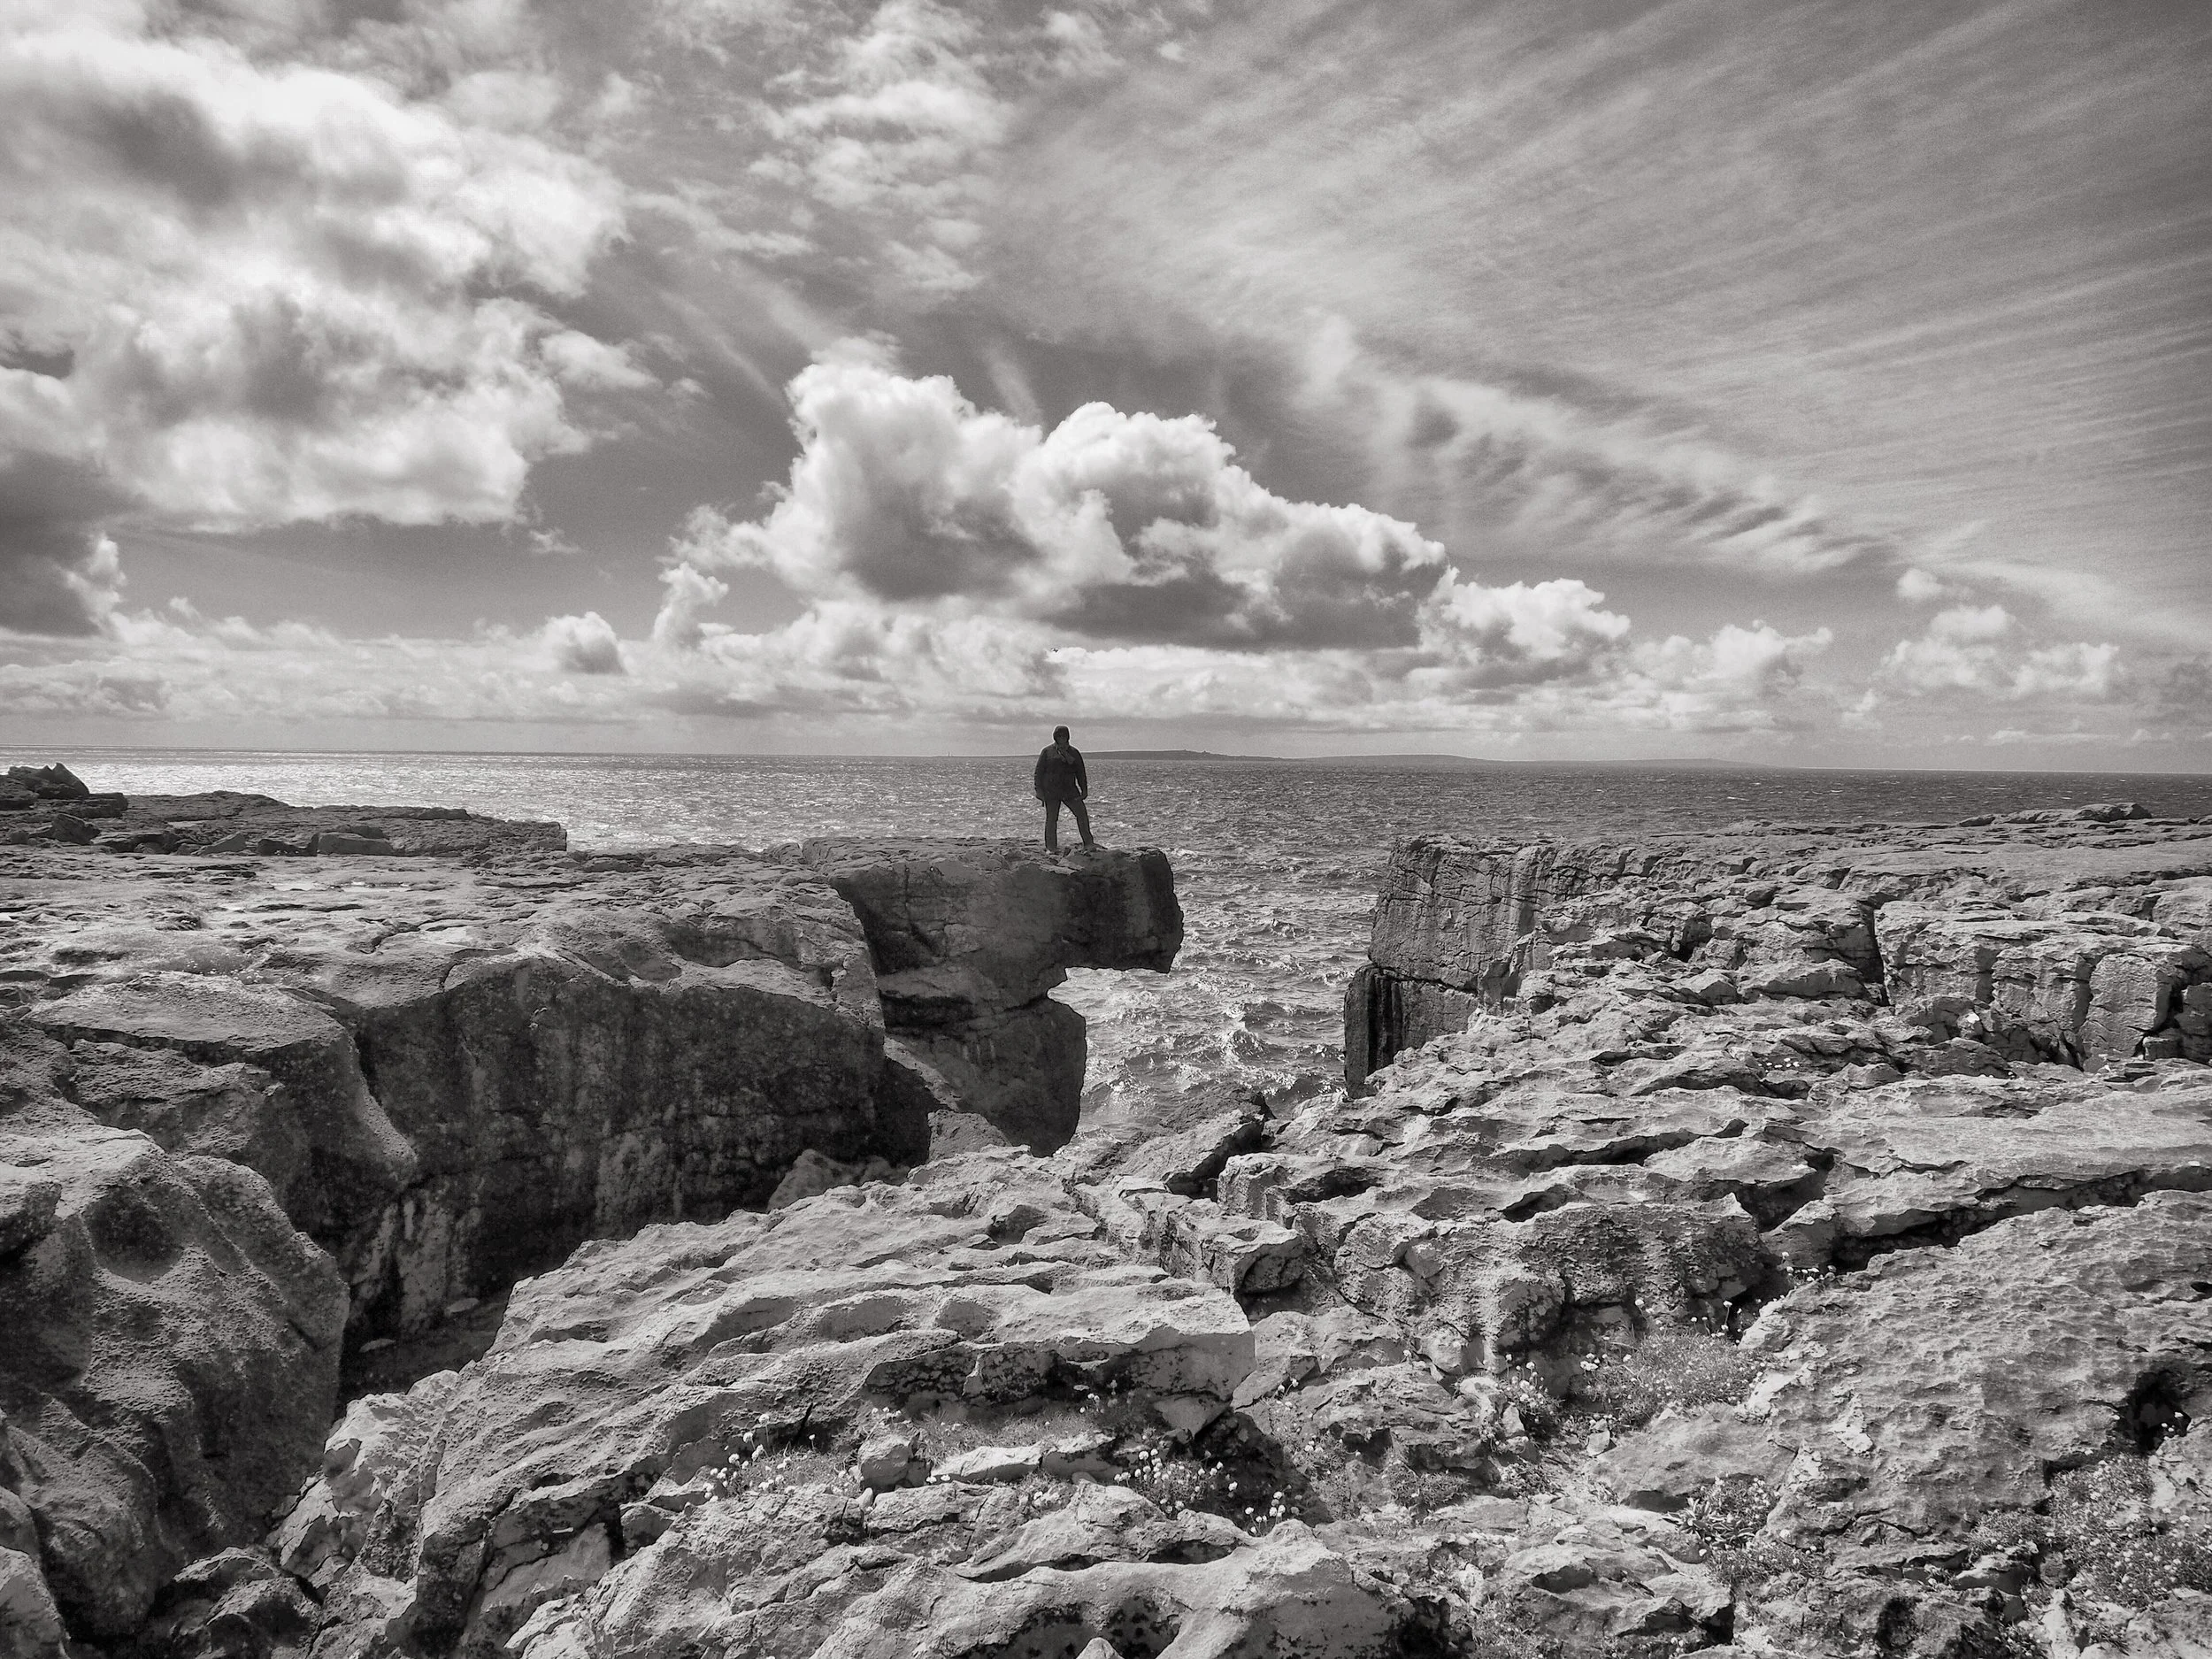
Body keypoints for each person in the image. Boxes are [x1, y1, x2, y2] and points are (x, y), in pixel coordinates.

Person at [1033, 725, 1094, 853]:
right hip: (1051, 791)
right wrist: (1039, 791)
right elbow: (1039, 772)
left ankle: (1088, 843)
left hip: (1070, 790)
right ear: (1055, 737)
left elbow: (1080, 772)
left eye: (1064, 736)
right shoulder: (1047, 752)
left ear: (1068, 737)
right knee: (1051, 819)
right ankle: (1051, 847)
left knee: (1082, 815)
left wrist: (1084, 790)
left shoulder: (1074, 753)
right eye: (1059, 736)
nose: (1061, 738)